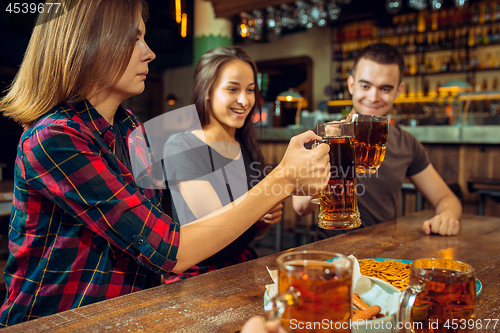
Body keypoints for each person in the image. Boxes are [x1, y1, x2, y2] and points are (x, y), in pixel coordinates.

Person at [0, 0, 330, 326]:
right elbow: (171, 250)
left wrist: (268, 206)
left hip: (130, 314)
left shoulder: (130, 129)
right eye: (134, 38)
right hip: (55, 322)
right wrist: (284, 179)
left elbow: (163, 231)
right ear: (88, 43)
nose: (149, 52)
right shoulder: (55, 137)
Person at [293, 42, 462, 237]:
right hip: (333, 255)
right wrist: (328, 171)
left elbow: (446, 198)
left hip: (384, 252)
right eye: (365, 86)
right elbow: (299, 207)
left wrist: (447, 216)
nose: (373, 97)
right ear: (351, 85)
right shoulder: (323, 136)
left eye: (385, 88)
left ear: (398, 91)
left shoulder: (405, 142)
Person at [162, 46, 282, 283]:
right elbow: (214, 228)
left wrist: (264, 219)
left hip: (243, 265)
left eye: (250, 90)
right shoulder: (181, 146)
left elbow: (253, 233)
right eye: (232, 89)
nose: (244, 100)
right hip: (197, 277)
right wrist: (265, 198)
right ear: (207, 91)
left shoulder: (244, 145)